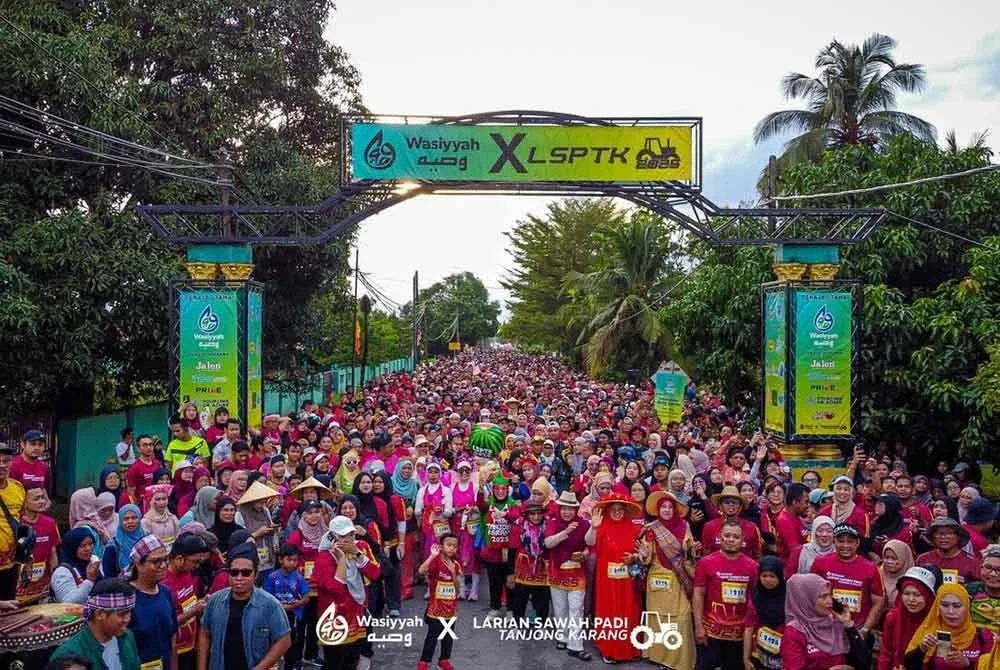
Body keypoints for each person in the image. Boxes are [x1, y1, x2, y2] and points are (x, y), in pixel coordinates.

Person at [197, 550, 291, 670]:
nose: (239, 578)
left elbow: (284, 640)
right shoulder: (215, 601)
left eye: (246, 573)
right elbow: (204, 634)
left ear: (256, 574)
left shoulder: (270, 605)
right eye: (234, 573)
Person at [314, 515, 381, 670]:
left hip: (355, 614)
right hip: (333, 617)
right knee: (333, 663)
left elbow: (375, 573)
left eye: (351, 534)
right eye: (343, 536)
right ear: (334, 537)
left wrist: (357, 554)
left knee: (351, 662)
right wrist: (342, 559)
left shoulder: (361, 547)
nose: (349, 539)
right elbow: (336, 588)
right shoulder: (324, 557)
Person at [638, 490, 696, 670]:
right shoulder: (650, 528)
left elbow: (689, 550)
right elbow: (645, 556)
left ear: (676, 509)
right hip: (657, 575)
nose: (667, 510)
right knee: (658, 618)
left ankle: (679, 661)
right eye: (663, 506)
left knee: (681, 618)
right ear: (658, 509)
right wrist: (643, 554)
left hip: (678, 577)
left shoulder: (685, 526)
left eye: (670, 507)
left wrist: (693, 549)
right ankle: (659, 657)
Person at [693, 519, 759, 670]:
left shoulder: (753, 567)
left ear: (742, 540)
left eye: (735, 537)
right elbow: (698, 595)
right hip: (711, 633)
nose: (731, 540)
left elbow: (755, 601)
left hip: (740, 635)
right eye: (727, 536)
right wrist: (698, 626)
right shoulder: (705, 563)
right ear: (720, 537)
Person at [586, 492, 643, 664]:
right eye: (613, 509)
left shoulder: (635, 529)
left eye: (620, 509)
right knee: (608, 611)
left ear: (625, 510)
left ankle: (630, 649)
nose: (617, 512)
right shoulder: (601, 526)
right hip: (606, 580)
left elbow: (642, 553)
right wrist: (594, 527)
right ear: (608, 510)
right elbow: (589, 542)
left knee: (629, 610)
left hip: (628, 581)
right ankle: (609, 649)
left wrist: (634, 557)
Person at [810, 523, 885, 639]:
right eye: (840, 541)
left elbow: (879, 601)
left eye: (850, 541)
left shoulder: (870, 568)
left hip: (857, 630)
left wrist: (865, 630)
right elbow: (811, 596)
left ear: (857, 543)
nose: (845, 545)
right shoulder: (820, 563)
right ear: (834, 541)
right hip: (827, 628)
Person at [48, 578, 141, 670]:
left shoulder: (127, 637)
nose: (127, 619)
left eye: (129, 612)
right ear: (100, 614)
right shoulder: (66, 655)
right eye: (122, 614)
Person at [544, 490, 591, 663]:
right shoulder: (553, 522)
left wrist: (585, 554)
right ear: (559, 508)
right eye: (564, 508)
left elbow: (590, 544)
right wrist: (566, 532)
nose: (567, 512)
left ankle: (576, 645)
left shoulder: (584, 524)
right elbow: (548, 543)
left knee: (576, 608)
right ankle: (562, 637)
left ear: (576, 510)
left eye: (570, 509)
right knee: (560, 608)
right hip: (557, 571)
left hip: (577, 572)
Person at [903, 582, 994, 669]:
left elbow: (992, 666)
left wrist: (967, 664)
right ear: (938, 607)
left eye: (957, 606)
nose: (950, 612)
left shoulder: (982, 636)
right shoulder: (929, 631)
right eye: (945, 605)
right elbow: (909, 665)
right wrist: (921, 650)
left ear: (966, 607)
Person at [780, 573, 860, 670]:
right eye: (823, 596)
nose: (830, 601)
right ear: (806, 599)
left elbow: (863, 662)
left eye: (830, 595)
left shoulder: (835, 622)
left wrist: (849, 626)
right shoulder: (794, 632)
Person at [127, 534, 179, 670]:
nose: (163, 566)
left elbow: (172, 638)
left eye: (165, 560)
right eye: (156, 562)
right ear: (139, 564)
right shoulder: (126, 598)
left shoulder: (166, 593)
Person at [163, 533, 208, 670]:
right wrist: (193, 611)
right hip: (175, 651)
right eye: (194, 561)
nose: (197, 565)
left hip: (191, 645)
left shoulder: (188, 574)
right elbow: (166, 624)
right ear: (179, 559)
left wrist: (202, 602)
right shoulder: (163, 584)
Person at [878, 566, 936, 670]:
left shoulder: (935, 620)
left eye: (917, 595)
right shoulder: (893, 617)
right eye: (906, 593)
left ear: (928, 596)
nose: (911, 599)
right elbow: (885, 654)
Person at [263, 544, 311, 670]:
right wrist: (279, 607)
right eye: (289, 560)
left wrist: (295, 605)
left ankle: (292, 664)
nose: (292, 563)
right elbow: (266, 597)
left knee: (293, 640)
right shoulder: (272, 577)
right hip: (276, 614)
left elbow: (306, 598)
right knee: (275, 640)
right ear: (280, 560)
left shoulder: (299, 578)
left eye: (294, 560)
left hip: (294, 615)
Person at [417, 534, 460, 670]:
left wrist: (453, 573)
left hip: (450, 610)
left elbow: (458, 589)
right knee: (432, 637)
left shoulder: (456, 564)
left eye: (454, 546)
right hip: (436, 608)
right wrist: (431, 556)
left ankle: (444, 660)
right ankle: (424, 661)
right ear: (441, 546)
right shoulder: (436, 561)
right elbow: (421, 571)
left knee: (448, 637)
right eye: (449, 545)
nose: (452, 548)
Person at [478, 473, 516, 618]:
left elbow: (515, 517)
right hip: (492, 550)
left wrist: (504, 515)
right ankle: (495, 607)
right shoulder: (489, 504)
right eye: (497, 489)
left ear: (507, 490)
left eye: (503, 489)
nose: (500, 492)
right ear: (493, 490)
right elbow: (480, 505)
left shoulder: (512, 505)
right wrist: (481, 489)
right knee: (494, 581)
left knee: (510, 581)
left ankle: (511, 609)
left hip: (508, 551)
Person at [506, 501, 550, 622]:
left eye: (539, 513)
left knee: (542, 599)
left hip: (541, 568)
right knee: (520, 598)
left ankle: (541, 623)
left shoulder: (548, 525)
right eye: (532, 514)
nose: (536, 517)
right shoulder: (518, 526)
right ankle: (517, 622)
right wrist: (510, 573)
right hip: (523, 568)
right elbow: (511, 550)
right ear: (527, 515)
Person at [17, 485, 60, 604]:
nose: (42, 501)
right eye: (36, 499)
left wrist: (54, 579)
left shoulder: (50, 523)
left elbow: (53, 554)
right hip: (18, 592)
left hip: (42, 590)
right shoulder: (16, 524)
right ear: (24, 502)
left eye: (42, 498)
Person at [743, 555, 786, 670]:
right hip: (759, 655)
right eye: (764, 576)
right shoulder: (756, 596)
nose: (767, 580)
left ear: (780, 576)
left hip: (783, 657)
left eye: (772, 576)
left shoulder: (790, 597)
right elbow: (748, 628)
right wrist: (745, 659)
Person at [916, 518, 981, 586]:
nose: (943, 537)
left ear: (958, 536)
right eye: (939, 533)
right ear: (933, 537)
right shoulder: (923, 559)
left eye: (949, 533)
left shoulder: (972, 562)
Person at [702, 486, 762, 559]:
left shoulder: (751, 527)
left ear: (740, 506)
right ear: (720, 506)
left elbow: (757, 555)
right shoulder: (709, 527)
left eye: (735, 502)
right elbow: (706, 555)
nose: (731, 504)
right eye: (726, 502)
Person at [234, 481, 280, 576]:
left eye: (264, 502)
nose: (262, 505)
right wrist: (257, 533)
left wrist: (272, 529)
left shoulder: (265, 511)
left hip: (268, 556)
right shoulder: (240, 514)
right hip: (251, 557)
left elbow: (269, 525)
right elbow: (239, 538)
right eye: (260, 502)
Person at [0, 439, 25, 601]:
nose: (2, 465)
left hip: (10, 564)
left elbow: (20, 521)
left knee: (9, 611)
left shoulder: (18, 488)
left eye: (6, 460)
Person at [51, 527, 102, 604]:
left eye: (91, 544)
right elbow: (67, 603)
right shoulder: (62, 572)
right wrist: (90, 581)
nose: (88, 548)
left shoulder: (93, 561)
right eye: (82, 546)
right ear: (72, 548)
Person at [761, 482, 809, 560]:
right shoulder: (785, 520)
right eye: (806, 502)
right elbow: (795, 552)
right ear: (795, 502)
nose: (808, 505)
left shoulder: (795, 517)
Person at [101, 505, 147, 581]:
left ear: (139, 519)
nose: (130, 521)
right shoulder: (113, 546)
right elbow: (109, 577)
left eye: (134, 518)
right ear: (120, 521)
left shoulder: (147, 539)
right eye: (126, 519)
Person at [967, 544, 1000, 633]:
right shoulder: (970, 590)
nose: (993, 574)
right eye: (988, 567)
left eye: (999, 570)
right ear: (981, 568)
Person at [141, 484, 181, 550]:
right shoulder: (146, 521)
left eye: (164, 499)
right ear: (151, 501)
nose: (161, 502)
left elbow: (178, 537)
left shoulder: (173, 518)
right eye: (157, 499)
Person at [125, 435, 161, 507]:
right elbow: (130, 493)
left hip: (159, 504)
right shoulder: (134, 468)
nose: (148, 447)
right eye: (145, 445)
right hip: (143, 506)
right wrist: (135, 507)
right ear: (138, 448)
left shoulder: (158, 464)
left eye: (150, 445)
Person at [880, 539, 916, 608]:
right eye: (887, 557)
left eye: (894, 558)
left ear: (904, 558)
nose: (889, 561)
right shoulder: (877, 574)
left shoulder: (913, 580)